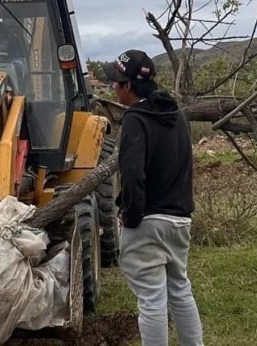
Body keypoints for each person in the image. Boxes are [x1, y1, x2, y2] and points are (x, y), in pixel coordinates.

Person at [102, 49, 204, 346]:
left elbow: (132, 174)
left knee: (151, 299)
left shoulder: (136, 119)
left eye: (116, 83)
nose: (113, 88)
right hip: (179, 220)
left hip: (147, 222)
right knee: (180, 290)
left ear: (128, 87)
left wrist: (131, 217)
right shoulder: (177, 116)